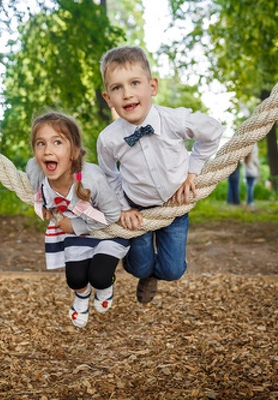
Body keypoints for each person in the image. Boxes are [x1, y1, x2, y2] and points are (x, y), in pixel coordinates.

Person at [96, 46, 224, 304]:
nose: (128, 93)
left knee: (174, 270)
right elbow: (108, 175)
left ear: (152, 86)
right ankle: (138, 265)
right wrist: (122, 208)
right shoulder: (108, 139)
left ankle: (155, 273)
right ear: (108, 98)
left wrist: (193, 170)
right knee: (138, 267)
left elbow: (213, 131)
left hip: (174, 207)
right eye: (117, 88)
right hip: (138, 210)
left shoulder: (173, 120)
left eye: (134, 83)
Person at [26, 111, 130, 328]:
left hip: (108, 229)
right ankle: (82, 296)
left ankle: (105, 287)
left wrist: (74, 225)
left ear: (73, 152)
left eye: (57, 142)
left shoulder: (91, 179)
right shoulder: (36, 171)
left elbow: (112, 215)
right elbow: (36, 184)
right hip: (79, 235)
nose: (48, 151)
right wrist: (45, 204)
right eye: (40, 144)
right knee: (75, 279)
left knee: (99, 276)